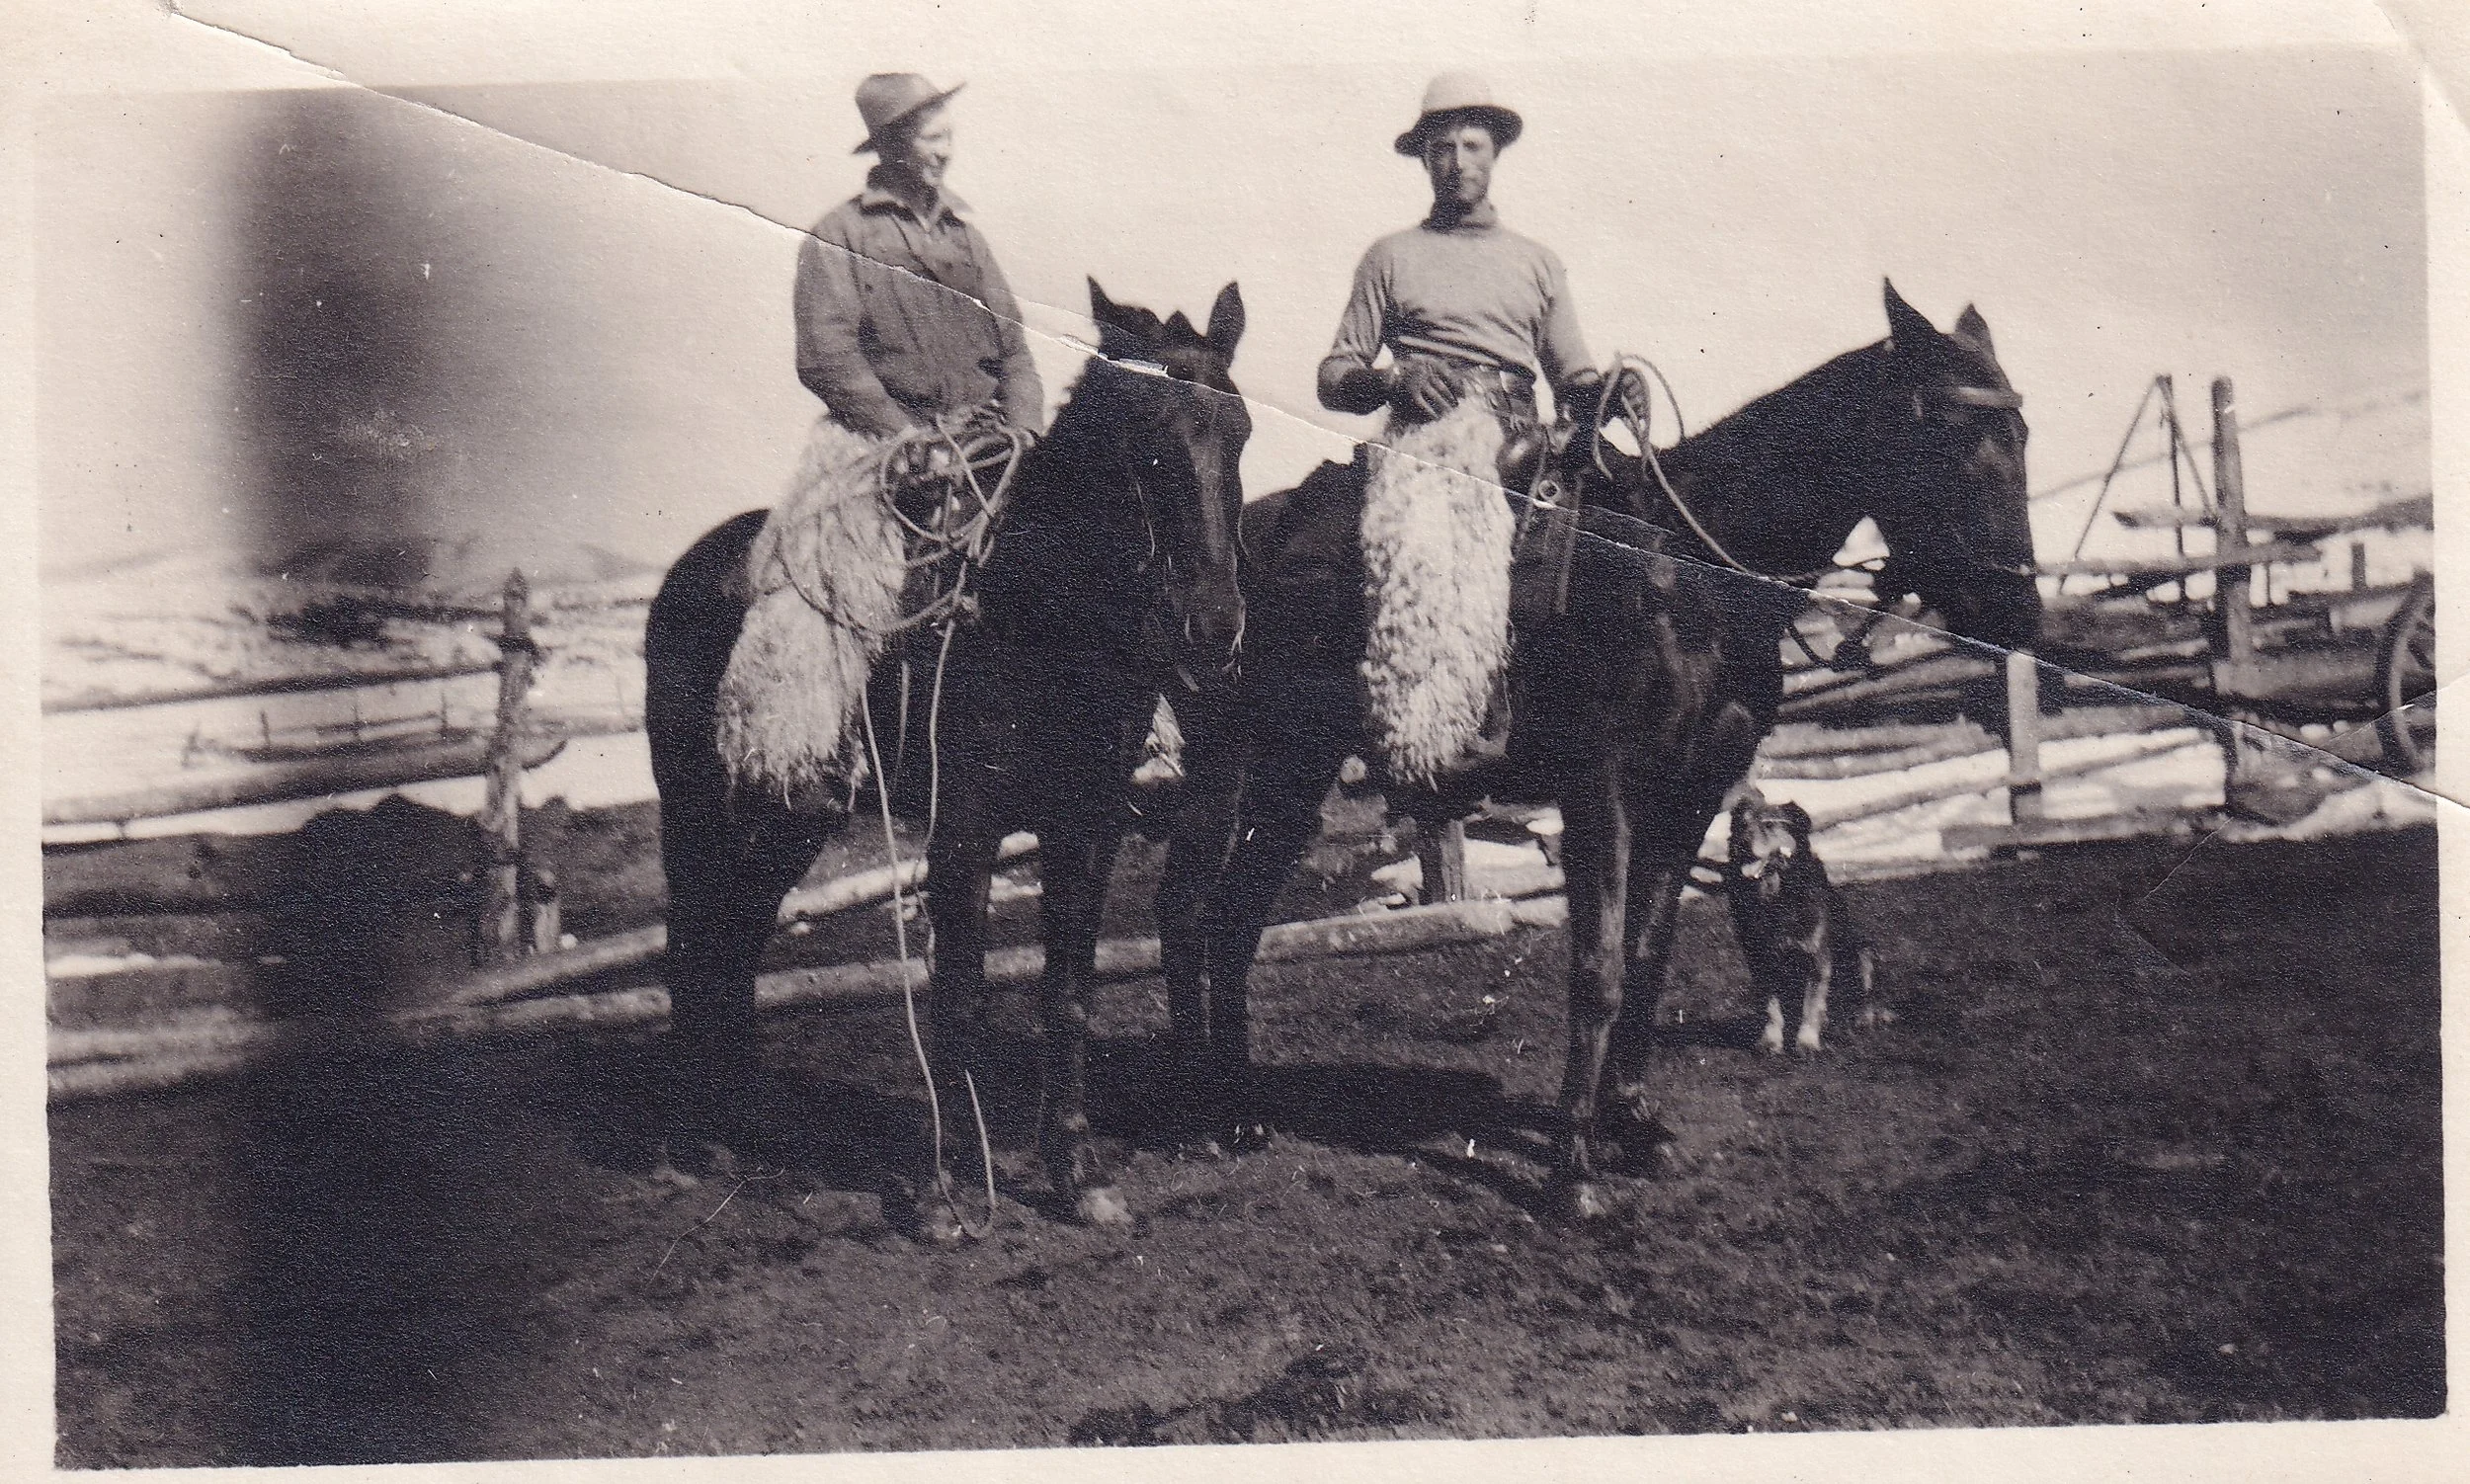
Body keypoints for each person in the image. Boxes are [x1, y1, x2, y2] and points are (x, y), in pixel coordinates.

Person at [1316, 72, 1605, 787]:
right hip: (1430, 437)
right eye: (1440, 149)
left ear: (1494, 153)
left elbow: (1573, 370)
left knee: (1608, 541)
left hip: (1520, 433)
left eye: (1471, 145)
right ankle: (1426, 735)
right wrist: (1392, 379)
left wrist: (1604, 392)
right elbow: (1334, 372)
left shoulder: (1535, 261)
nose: (1457, 162)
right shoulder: (1391, 256)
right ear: (1423, 160)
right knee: (1422, 552)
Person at [793, 73, 1043, 437]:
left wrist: (1026, 430)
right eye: (932, 139)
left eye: (949, 137)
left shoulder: (967, 239)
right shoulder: (839, 235)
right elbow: (826, 356)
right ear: (893, 145)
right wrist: (905, 439)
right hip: (890, 447)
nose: (946, 152)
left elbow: (1015, 351)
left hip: (989, 440)